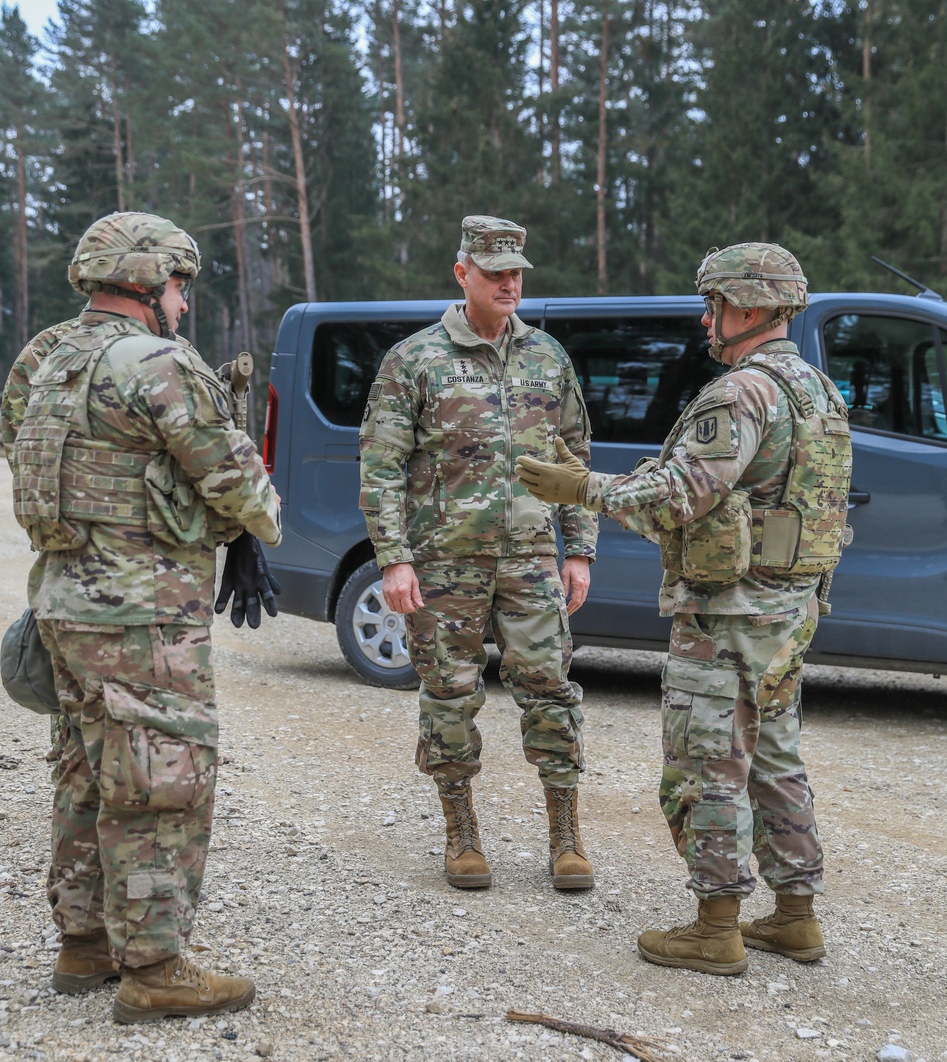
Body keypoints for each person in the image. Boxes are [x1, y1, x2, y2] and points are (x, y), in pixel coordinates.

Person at [516, 242, 852, 973]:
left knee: (709, 766)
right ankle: (796, 915)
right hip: (789, 611)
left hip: (729, 615)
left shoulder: (742, 394)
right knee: (774, 756)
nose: (706, 320)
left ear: (753, 308)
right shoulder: (817, 390)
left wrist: (583, 490)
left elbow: (682, 495)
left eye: (715, 305)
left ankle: (716, 926)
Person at [2, 211, 282, 1021]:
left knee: (87, 768)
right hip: (145, 614)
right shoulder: (159, 362)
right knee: (163, 778)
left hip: (64, 605)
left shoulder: (45, 355)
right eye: (179, 286)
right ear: (148, 281)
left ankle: (83, 941)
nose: (185, 304)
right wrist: (245, 521)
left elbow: (13, 441)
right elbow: (242, 490)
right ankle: (154, 967)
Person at [359, 214, 599, 891]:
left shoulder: (547, 357)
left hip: (529, 558)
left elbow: (574, 456)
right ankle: (462, 833)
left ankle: (566, 836)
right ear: (463, 273)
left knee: (551, 692)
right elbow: (380, 466)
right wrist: (394, 560)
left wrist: (577, 550)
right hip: (443, 564)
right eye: (495, 274)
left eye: (516, 273)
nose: (509, 285)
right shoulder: (415, 360)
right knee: (449, 695)